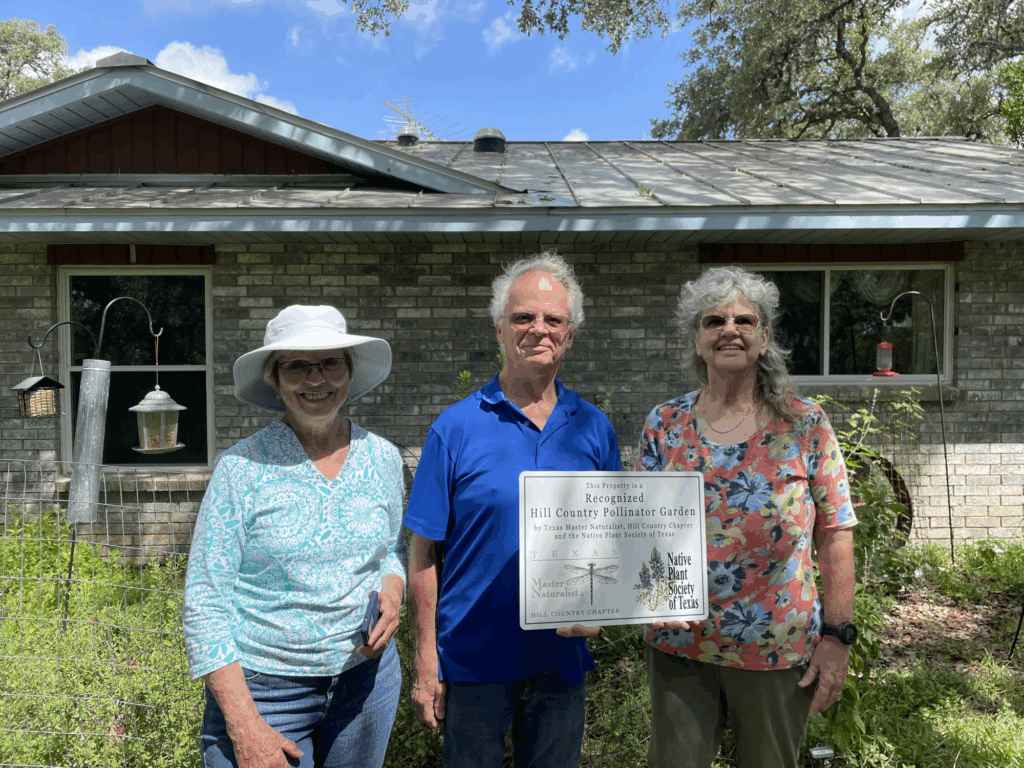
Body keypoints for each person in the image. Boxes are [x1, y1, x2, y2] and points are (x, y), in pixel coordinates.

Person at [404, 252, 621, 768]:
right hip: (473, 660)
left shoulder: (593, 427)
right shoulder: (455, 427)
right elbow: (422, 554)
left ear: (570, 335)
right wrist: (424, 660)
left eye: (554, 319)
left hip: (560, 662)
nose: (538, 329)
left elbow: (613, 539)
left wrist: (603, 609)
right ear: (499, 328)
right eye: (523, 317)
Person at [635, 266, 858, 768]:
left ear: (764, 337)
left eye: (744, 320)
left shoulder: (805, 425)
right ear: (697, 339)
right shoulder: (664, 423)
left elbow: (837, 533)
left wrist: (837, 637)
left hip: (776, 646)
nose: (729, 330)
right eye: (714, 320)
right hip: (678, 643)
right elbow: (641, 531)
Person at [183, 305, 406, 768]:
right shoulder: (241, 469)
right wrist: (243, 725)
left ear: (349, 371)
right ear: (275, 378)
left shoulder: (382, 457)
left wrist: (393, 589)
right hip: (266, 693)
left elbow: (390, 551)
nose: (315, 378)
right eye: (297, 365)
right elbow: (205, 601)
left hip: (366, 681)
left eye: (329, 363)